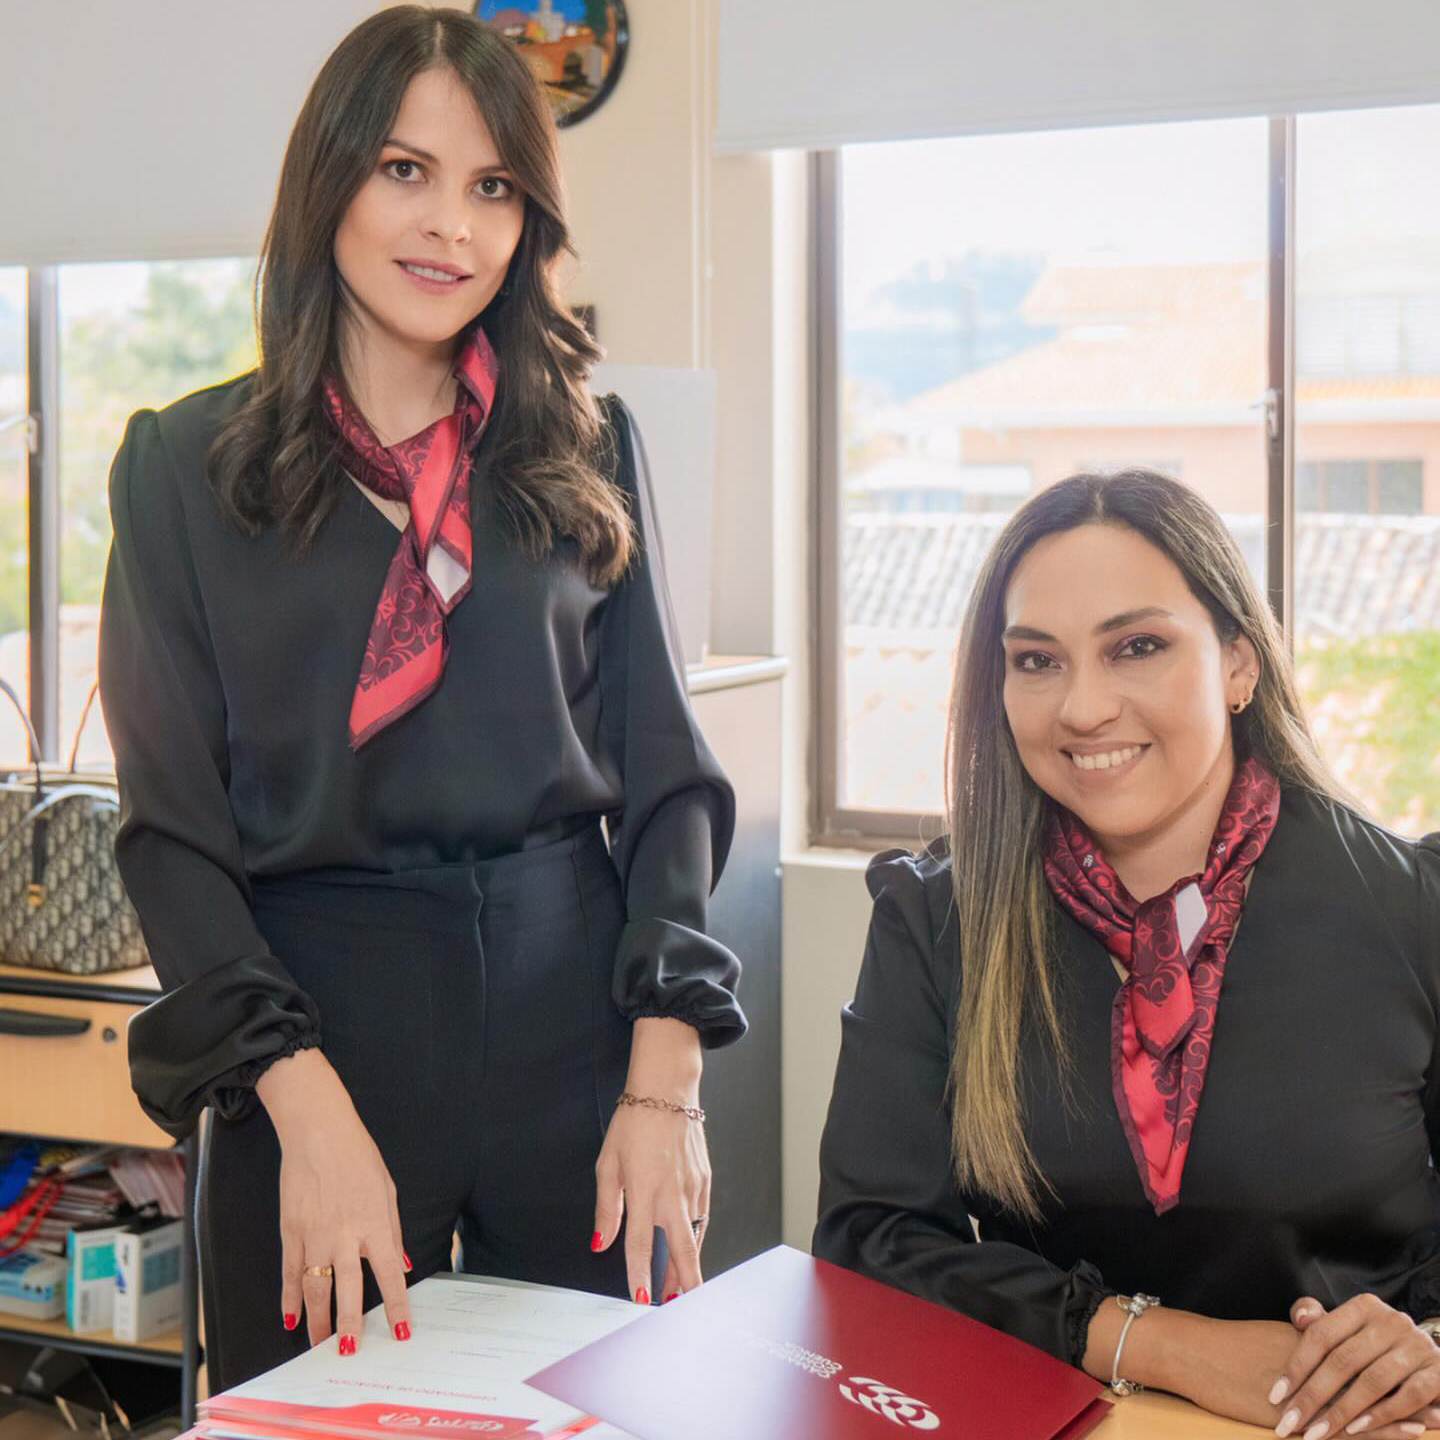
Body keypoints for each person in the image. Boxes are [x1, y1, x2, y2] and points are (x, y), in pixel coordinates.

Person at [99, 5, 744, 1393]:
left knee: (604, 1414)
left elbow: (671, 780)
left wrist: (662, 1080)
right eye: (405, 170)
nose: (451, 223)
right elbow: (173, 837)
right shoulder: (181, 469)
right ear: (326, 180)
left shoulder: (590, 446)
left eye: (493, 186)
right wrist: (304, 1113)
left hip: (574, 1030)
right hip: (313, 1038)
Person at [813, 470, 1440, 1440]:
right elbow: (871, 1240)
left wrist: (1421, 1345)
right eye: (1037, 661)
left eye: (1136, 647)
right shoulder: (937, 919)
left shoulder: (1411, 905)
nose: (1082, 708)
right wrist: (1170, 1346)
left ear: (1239, 665)